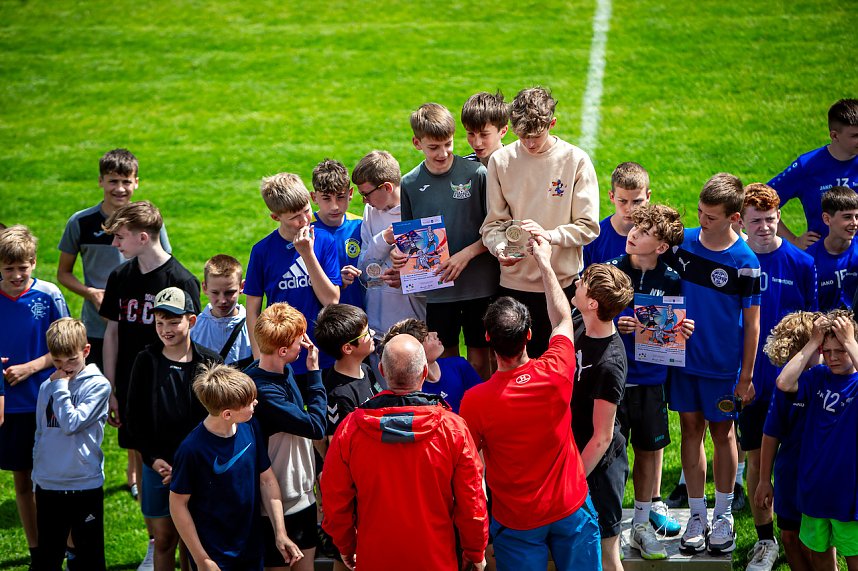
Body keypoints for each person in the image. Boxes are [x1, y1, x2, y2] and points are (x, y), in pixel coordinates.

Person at [459, 235, 601, 571]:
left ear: (488, 338)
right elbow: (563, 320)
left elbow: (472, 469)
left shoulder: (475, 401)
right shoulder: (557, 370)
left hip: (517, 522)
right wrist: (545, 263)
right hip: (572, 509)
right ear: (529, 336)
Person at [321, 333, 488, 571]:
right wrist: (474, 549)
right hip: (436, 558)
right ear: (423, 372)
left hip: (375, 557)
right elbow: (472, 499)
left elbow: (334, 499)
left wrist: (346, 546)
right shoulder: (452, 428)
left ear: (381, 370)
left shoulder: (350, 429)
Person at [663, 173, 761, 555]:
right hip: (682, 363)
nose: (702, 221)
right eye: (701, 212)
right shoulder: (682, 244)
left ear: (734, 217)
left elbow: (752, 324)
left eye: (712, 216)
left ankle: (723, 514)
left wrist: (747, 376)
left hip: (722, 368)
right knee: (690, 431)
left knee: (723, 436)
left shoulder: (745, 262)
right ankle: (697, 513)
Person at [98, 200, 200, 536]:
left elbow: (191, 341)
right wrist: (111, 388)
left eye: (120, 237)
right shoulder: (119, 277)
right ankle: (154, 539)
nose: (115, 244)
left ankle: (183, 535)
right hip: (131, 388)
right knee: (143, 455)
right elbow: (112, 333)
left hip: (172, 390)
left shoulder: (181, 279)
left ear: (143, 237)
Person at [480, 86, 599, 357]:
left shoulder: (576, 160)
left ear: (552, 123)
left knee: (559, 370)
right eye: (522, 136)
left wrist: (549, 236)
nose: (530, 144)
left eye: (536, 135)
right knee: (514, 372)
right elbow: (492, 225)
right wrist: (499, 247)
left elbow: (589, 226)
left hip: (561, 286)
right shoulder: (500, 161)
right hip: (512, 286)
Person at [736, 183, 818, 571]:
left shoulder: (802, 264)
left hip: (795, 385)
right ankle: (766, 541)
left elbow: (813, 325)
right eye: (757, 221)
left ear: (779, 217)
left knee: (799, 459)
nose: (766, 228)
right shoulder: (735, 260)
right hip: (753, 382)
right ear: (742, 222)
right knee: (758, 462)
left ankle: (802, 532)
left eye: (771, 219)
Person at [608, 204, 690, 558]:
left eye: (643, 232)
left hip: (651, 380)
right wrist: (614, 324)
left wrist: (684, 329)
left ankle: (641, 521)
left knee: (648, 450)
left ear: (660, 247)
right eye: (634, 227)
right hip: (612, 381)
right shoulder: (612, 271)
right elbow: (586, 316)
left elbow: (676, 328)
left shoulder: (672, 279)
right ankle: (606, 522)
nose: (633, 234)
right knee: (610, 456)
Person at [124, 287, 222, 571]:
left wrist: (190, 465)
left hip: (199, 467)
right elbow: (134, 418)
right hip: (159, 466)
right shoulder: (146, 361)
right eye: (159, 322)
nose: (165, 329)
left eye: (173, 321)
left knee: (194, 543)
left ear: (191, 321)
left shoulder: (209, 362)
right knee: (164, 539)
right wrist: (154, 460)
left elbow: (219, 417)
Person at [170, 363, 303, 570]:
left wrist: (280, 532)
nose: (256, 403)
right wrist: (202, 559)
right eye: (249, 402)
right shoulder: (192, 449)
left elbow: (266, 480)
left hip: (251, 547)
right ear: (227, 414)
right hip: (214, 554)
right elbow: (178, 505)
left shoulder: (250, 426)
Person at [401, 102, 498, 380]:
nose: (443, 153)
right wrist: (402, 256)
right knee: (444, 362)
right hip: (439, 289)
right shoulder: (409, 184)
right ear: (417, 143)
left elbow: (493, 230)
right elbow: (410, 238)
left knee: (481, 359)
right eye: (434, 147)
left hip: (480, 284)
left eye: (448, 144)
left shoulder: (476, 174)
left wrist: (465, 254)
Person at [57, 149, 171, 371]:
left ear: (136, 182)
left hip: (140, 323)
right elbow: (63, 273)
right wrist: (90, 293)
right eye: (113, 181)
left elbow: (164, 266)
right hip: (97, 325)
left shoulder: (149, 223)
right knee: (96, 394)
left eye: (126, 181)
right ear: (100, 181)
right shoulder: (80, 223)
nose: (120, 189)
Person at [0, 225, 69, 567]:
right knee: (23, 480)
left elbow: (67, 348)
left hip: (46, 402)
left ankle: (68, 547)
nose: (16, 275)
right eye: (8, 268)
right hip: (9, 408)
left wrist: (30, 368)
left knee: (55, 481)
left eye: (22, 267)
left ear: (34, 262)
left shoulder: (49, 295)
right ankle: (37, 550)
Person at [244, 302, 326, 571]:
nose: (304, 343)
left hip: (303, 496)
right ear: (282, 351)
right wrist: (314, 372)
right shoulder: (264, 392)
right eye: (298, 340)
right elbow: (315, 426)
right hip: (276, 505)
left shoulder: (283, 369)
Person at [776, 310, 858, 571]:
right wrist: (813, 342)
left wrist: (851, 342)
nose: (833, 357)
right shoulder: (818, 377)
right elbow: (783, 382)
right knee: (821, 558)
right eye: (828, 350)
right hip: (814, 491)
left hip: (849, 496)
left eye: (841, 350)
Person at [569, 263, 634, 571]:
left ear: (593, 302)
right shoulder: (579, 324)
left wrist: (573, 479)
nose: (576, 284)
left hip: (598, 470)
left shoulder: (610, 364)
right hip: (573, 453)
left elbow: (602, 437)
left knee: (608, 557)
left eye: (582, 283)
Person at [244, 172, 341, 378]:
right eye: (295, 217)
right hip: (280, 357)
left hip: (322, 354)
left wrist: (307, 254)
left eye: (307, 210)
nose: (305, 219)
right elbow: (252, 310)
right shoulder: (262, 251)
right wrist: (258, 355)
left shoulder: (324, 241)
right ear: (275, 217)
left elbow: (331, 300)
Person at [33, 317, 110, 571]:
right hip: (49, 485)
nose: (64, 368)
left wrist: (62, 388)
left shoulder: (98, 386)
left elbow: (71, 423)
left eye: (72, 360)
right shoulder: (48, 386)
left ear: (86, 351)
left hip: (84, 485)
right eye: (57, 361)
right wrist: (38, 478)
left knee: (90, 559)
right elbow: (41, 434)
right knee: (48, 557)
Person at [755, 311, 828, 571]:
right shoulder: (785, 386)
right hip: (789, 474)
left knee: (818, 543)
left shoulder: (831, 379)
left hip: (819, 476)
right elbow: (771, 433)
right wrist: (764, 480)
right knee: (789, 536)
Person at [351, 150, 427, 368]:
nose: (364, 200)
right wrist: (383, 239)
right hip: (376, 329)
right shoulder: (370, 212)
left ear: (386, 187)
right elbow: (364, 269)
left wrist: (406, 279)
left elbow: (434, 277)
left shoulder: (419, 210)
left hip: (412, 328)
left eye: (366, 193)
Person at [769, 98, 858, 249]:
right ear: (834, 136)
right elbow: (759, 201)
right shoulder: (807, 166)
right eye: (855, 136)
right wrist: (793, 241)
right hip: (822, 261)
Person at [380, 318, 483, 413]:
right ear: (417, 352)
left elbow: (481, 400)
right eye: (428, 338)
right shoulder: (412, 390)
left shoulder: (459, 365)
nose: (435, 333)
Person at [311, 159, 365, 309]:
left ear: (351, 193)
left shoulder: (361, 226)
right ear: (314, 197)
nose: (334, 206)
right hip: (321, 318)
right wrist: (333, 280)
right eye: (326, 198)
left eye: (340, 197)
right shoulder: (306, 231)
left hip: (361, 316)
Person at [583, 162, 651, 268]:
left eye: (637, 201)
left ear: (648, 196)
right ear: (611, 196)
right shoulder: (594, 237)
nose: (630, 209)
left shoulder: (658, 236)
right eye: (623, 201)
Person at [190, 254, 253, 367]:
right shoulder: (194, 328)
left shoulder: (253, 328)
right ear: (204, 288)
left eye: (229, 292)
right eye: (215, 293)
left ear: (242, 286)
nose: (222, 300)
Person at [805, 186, 858, 310]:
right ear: (827, 219)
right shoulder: (809, 260)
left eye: (857, 217)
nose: (854, 223)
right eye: (847, 217)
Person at [461, 90, 509, 166]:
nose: (477, 143)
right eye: (471, 134)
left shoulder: (517, 165)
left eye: (484, 135)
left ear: (503, 131)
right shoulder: (462, 167)